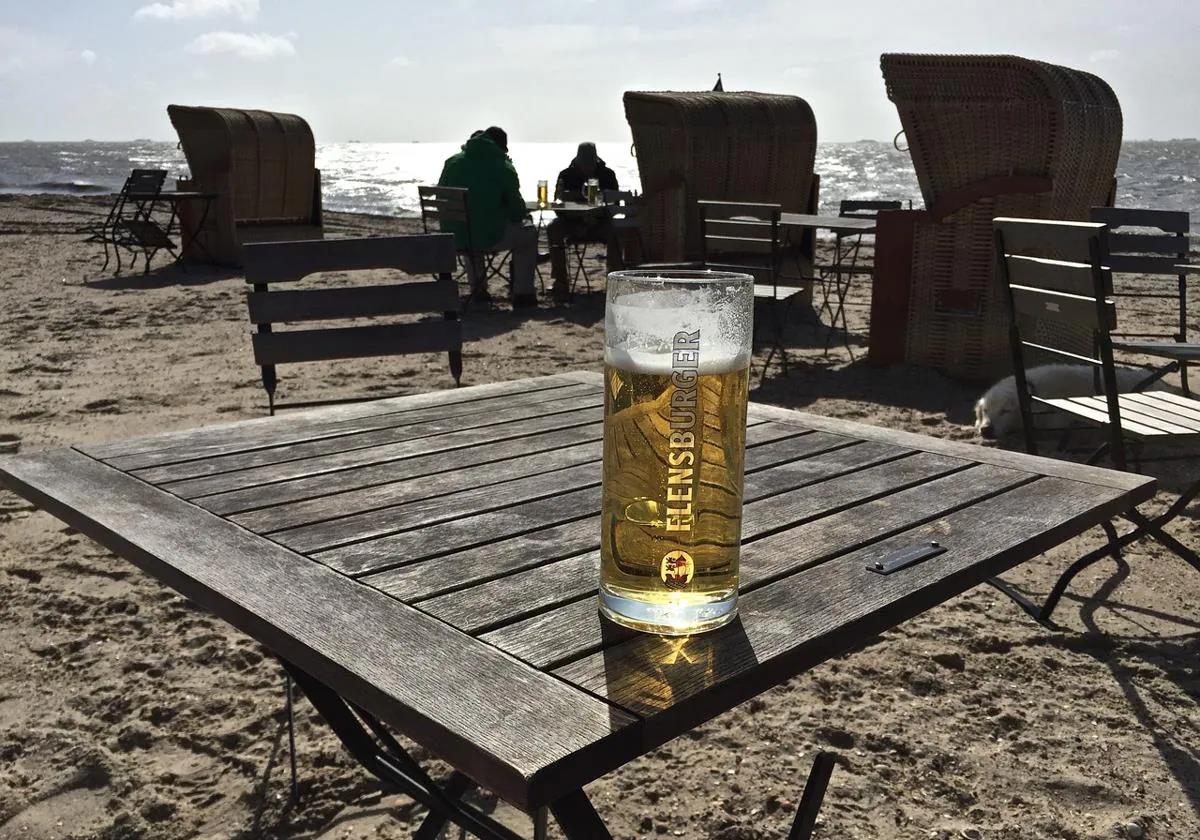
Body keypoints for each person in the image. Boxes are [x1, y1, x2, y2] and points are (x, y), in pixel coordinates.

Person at [438, 126, 538, 308]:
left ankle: (478, 289)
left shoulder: (451, 162)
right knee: (529, 234)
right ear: (500, 147)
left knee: (468, 227)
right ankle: (523, 293)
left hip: (454, 238)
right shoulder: (502, 166)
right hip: (487, 237)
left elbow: (441, 198)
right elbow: (517, 212)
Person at [548, 142, 619, 301]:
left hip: (599, 223)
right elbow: (557, 206)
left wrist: (597, 211)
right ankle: (560, 281)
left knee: (616, 230)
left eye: (590, 163)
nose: (587, 167)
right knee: (553, 228)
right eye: (584, 163)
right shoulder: (566, 175)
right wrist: (572, 210)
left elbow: (615, 205)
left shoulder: (607, 175)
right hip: (572, 223)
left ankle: (614, 279)